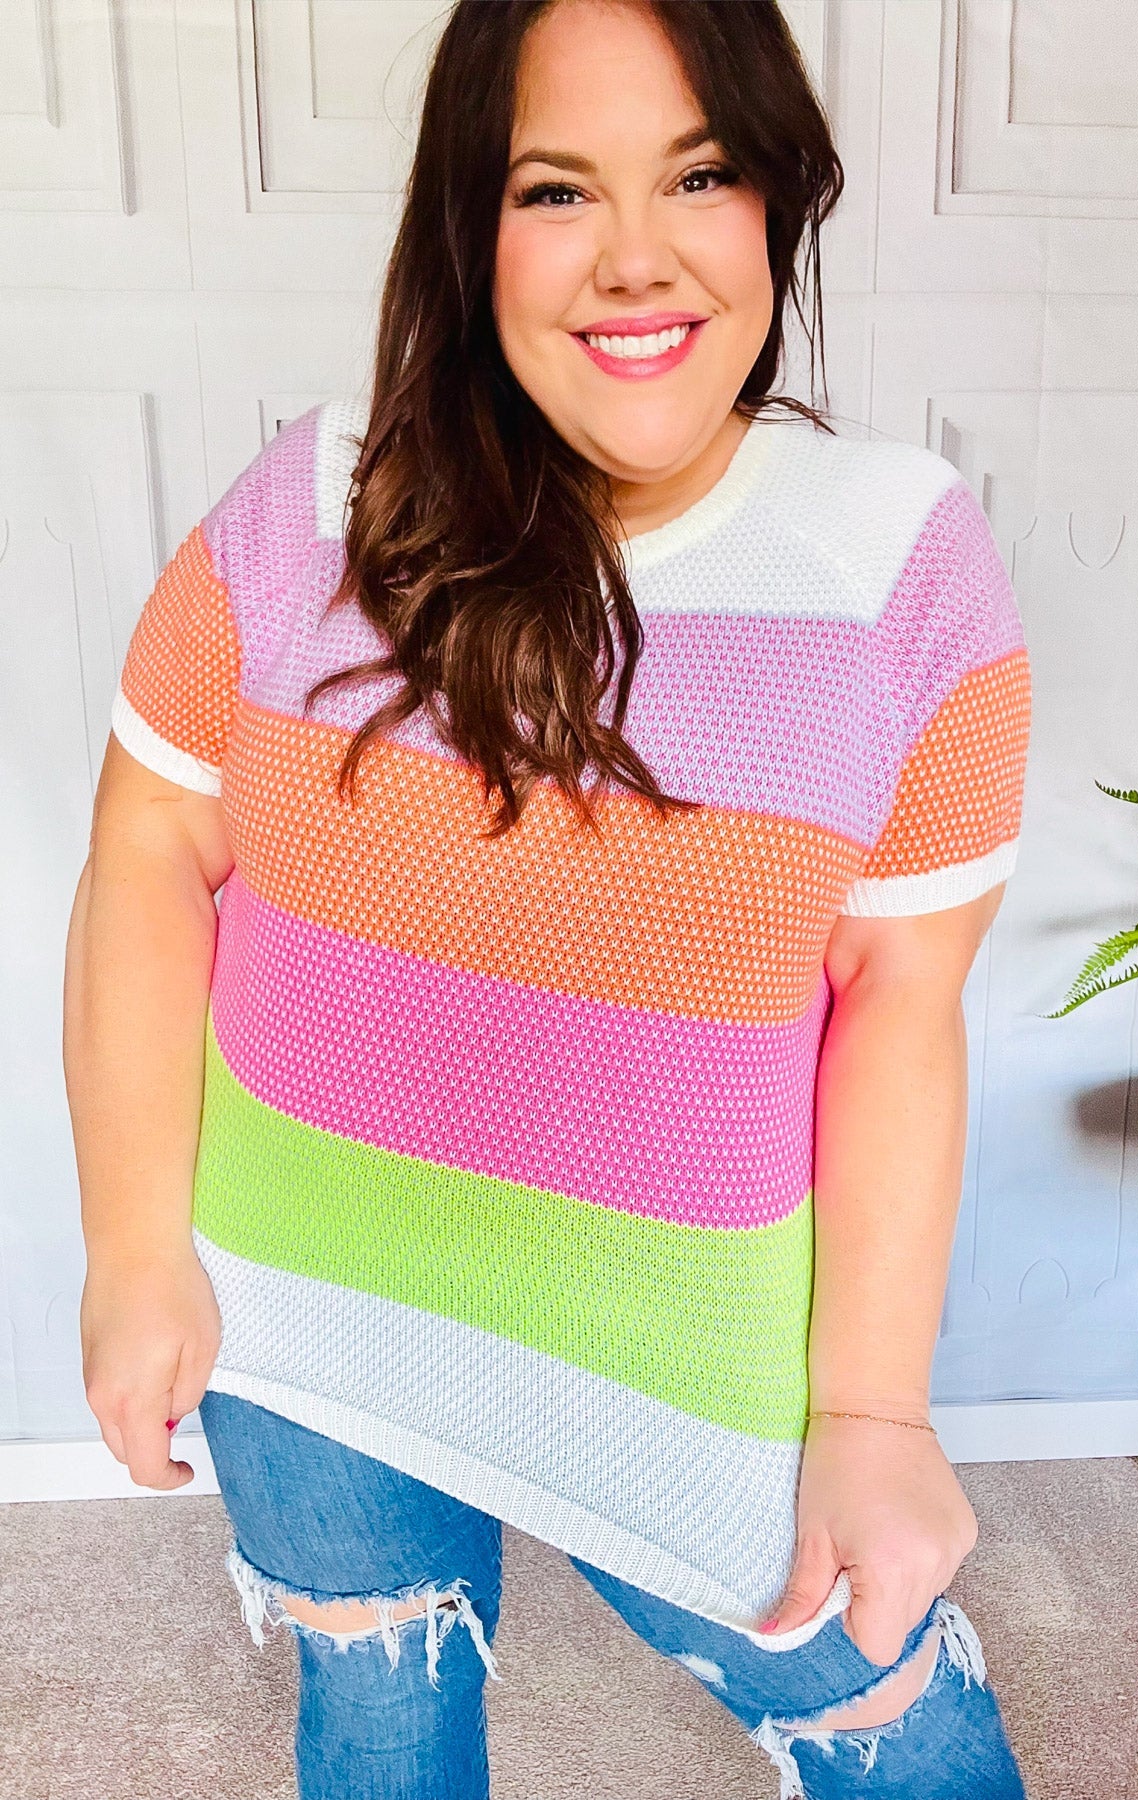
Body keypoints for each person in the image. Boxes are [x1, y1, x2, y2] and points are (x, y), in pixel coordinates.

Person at [62, 2, 1032, 1795]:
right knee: (379, 1707)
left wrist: (870, 1411)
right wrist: (132, 1248)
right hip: (308, 1307)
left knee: (902, 1743)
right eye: (556, 189)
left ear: (776, 199)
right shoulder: (308, 509)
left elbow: (903, 998)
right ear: (468, 226)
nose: (637, 255)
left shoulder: (899, 563)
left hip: (687, 1361)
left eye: (700, 174)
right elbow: (149, 851)